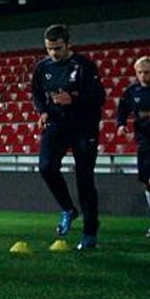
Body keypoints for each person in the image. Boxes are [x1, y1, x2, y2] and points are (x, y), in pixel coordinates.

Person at [31, 24, 105, 250]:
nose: (54, 53)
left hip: (83, 127)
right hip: (57, 124)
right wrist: (42, 111)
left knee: (84, 180)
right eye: (49, 48)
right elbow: (36, 93)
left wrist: (74, 100)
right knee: (45, 166)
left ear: (68, 44)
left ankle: (90, 232)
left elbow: (98, 97)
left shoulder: (84, 66)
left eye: (58, 48)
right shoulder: (42, 68)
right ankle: (68, 209)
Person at [115, 56, 150, 238]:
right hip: (143, 141)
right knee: (147, 185)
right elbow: (123, 110)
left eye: (146, 72)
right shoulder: (132, 91)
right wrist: (121, 124)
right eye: (139, 72)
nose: (143, 76)